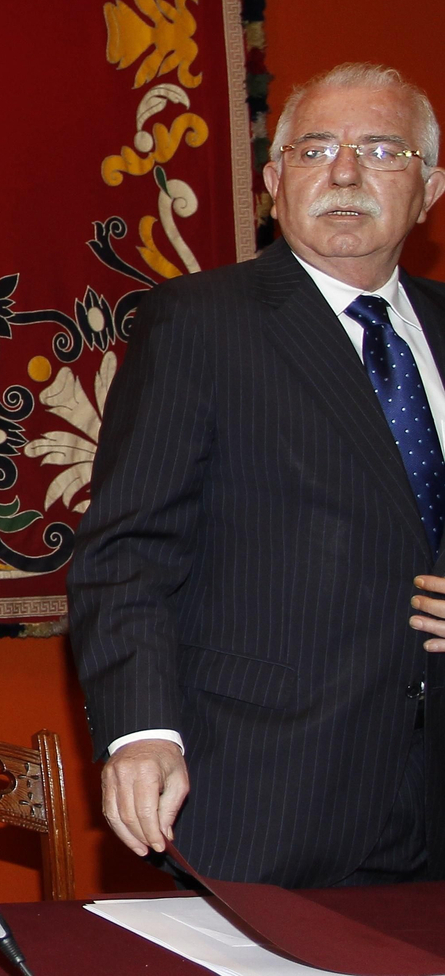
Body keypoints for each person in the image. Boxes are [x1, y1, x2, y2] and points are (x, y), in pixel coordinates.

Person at [69, 62, 445, 887]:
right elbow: (125, 553)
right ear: (274, 184)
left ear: (429, 186)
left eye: (381, 150)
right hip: (269, 796)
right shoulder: (200, 323)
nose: (345, 173)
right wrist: (142, 733)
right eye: (314, 151)